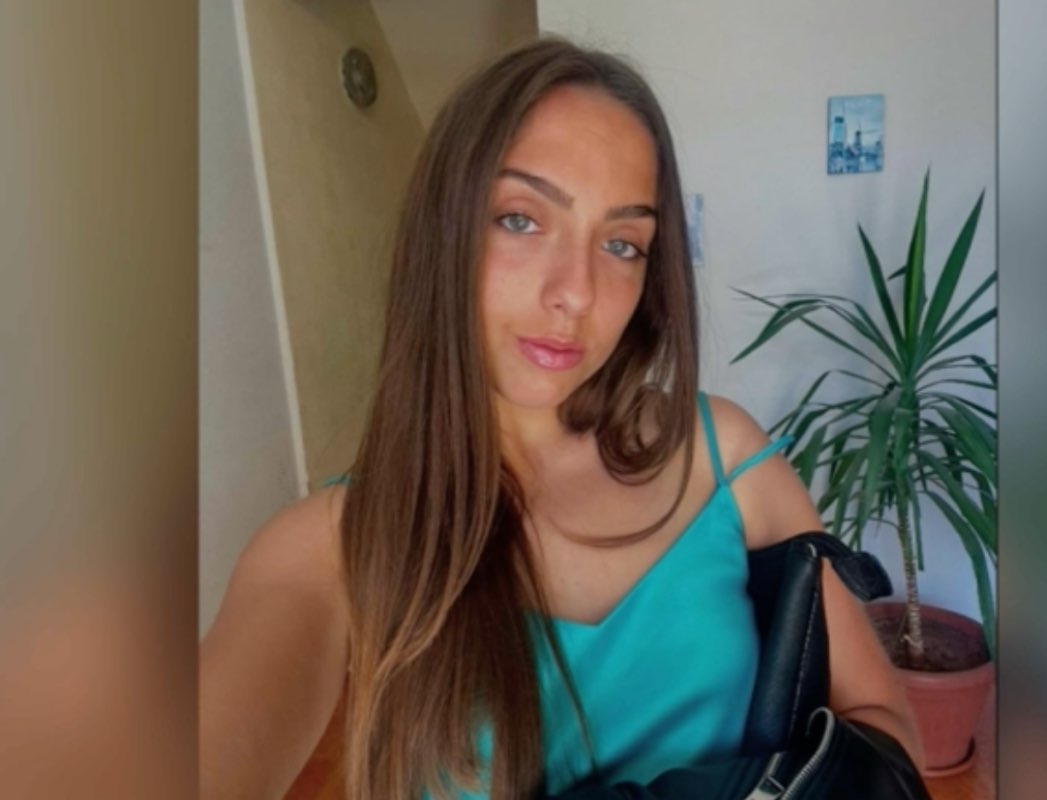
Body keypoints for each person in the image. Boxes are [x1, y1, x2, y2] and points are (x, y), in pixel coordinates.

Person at [199, 37, 921, 800]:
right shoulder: (331, 548)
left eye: (622, 244)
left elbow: (882, 726)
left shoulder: (724, 456)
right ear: (443, 229)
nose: (576, 292)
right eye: (520, 220)